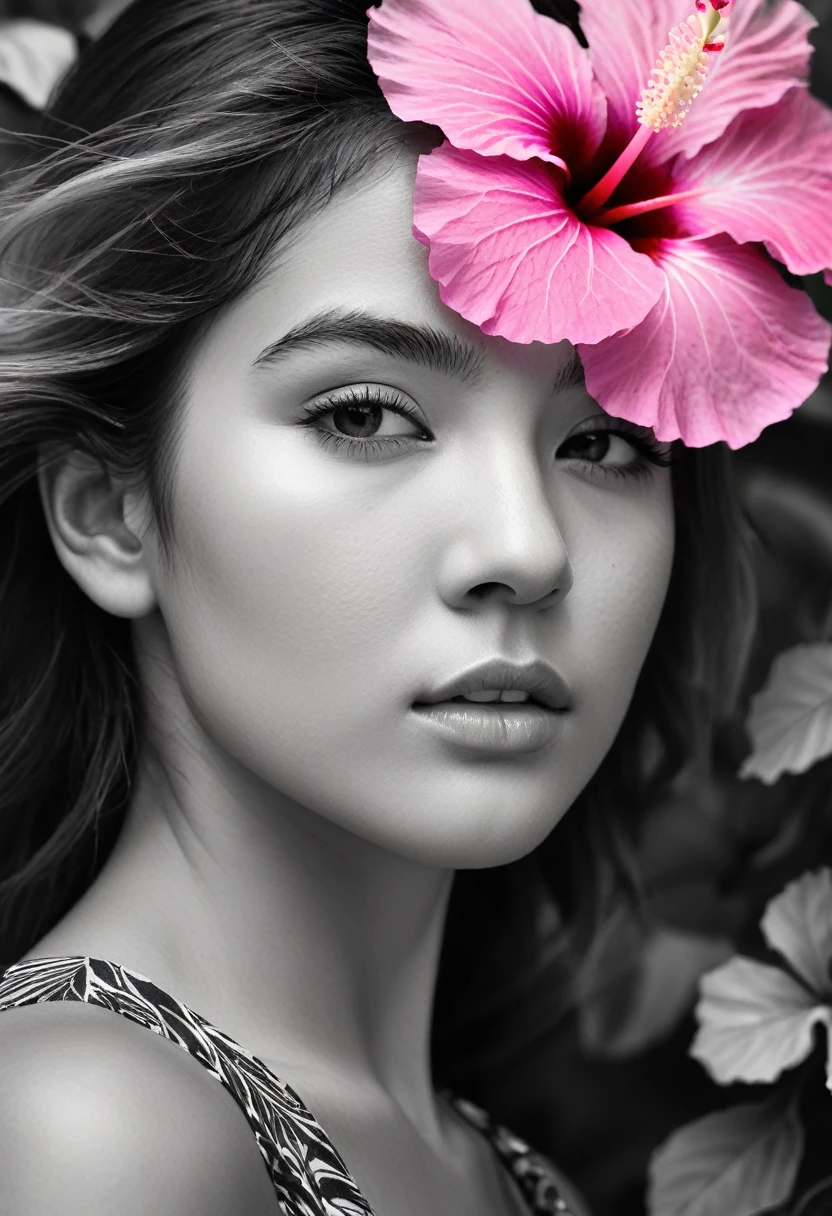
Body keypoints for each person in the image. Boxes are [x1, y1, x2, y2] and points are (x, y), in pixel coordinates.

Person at [2, 0, 819, 1211]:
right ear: (110, 514)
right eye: (365, 415)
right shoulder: (82, 1125)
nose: (525, 548)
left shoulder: (495, 1169)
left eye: (600, 442)